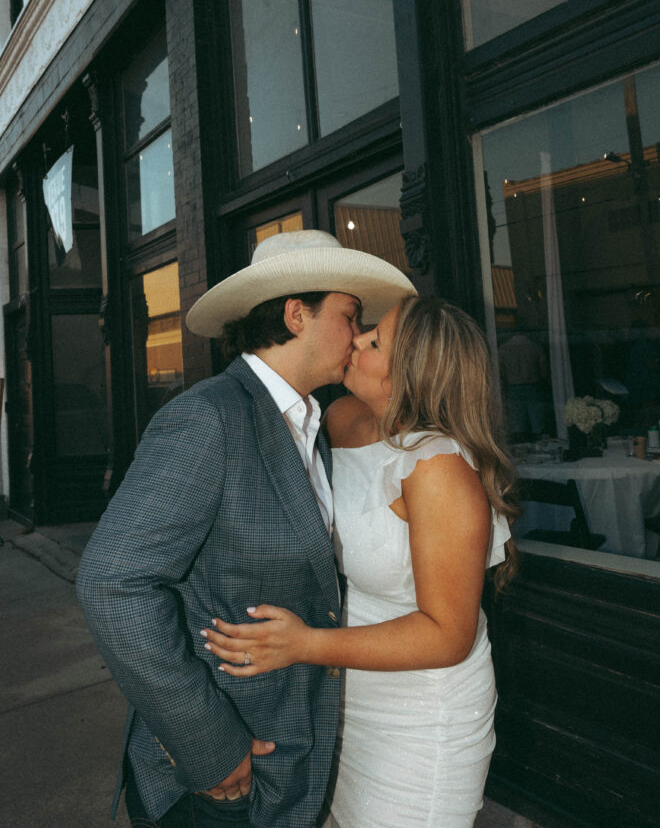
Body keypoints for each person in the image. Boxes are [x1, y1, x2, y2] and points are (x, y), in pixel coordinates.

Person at [76, 229, 415, 828]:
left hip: (287, 771)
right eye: (349, 314)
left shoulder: (311, 425)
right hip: (219, 783)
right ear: (295, 314)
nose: (358, 335)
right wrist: (208, 744)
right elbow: (112, 584)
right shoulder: (209, 416)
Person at [201, 295, 518, 828]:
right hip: (344, 695)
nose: (357, 341)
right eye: (362, 330)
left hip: (421, 711)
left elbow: (448, 634)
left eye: (375, 342)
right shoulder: (341, 419)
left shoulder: (436, 466)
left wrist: (305, 645)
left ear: (411, 374)